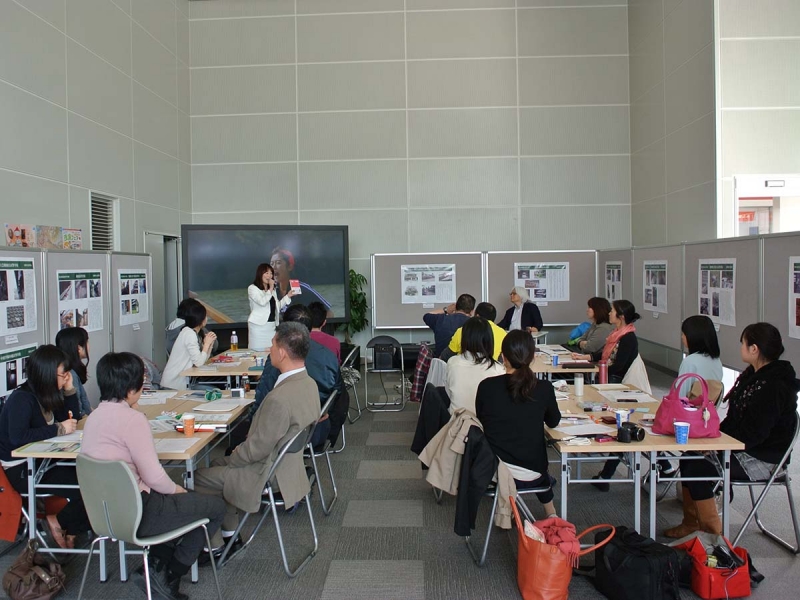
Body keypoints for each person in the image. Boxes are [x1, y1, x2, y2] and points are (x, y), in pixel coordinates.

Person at [81, 352, 226, 600]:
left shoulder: (93, 417)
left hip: (103, 514)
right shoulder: (133, 420)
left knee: (186, 501)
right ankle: (168, 575)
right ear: (131, 389)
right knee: (214, 507)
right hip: (140, 513)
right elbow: (154, 476)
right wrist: (177, 490)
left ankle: (155, 567)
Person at [194, 322, 320, 554]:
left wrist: (235, 455)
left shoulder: (279, 399)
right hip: (288, 467)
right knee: (217, 463)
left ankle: (214, 546)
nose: (269, 349)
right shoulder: (309, 384)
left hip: (265, 472)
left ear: (282, 352)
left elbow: (256, 450)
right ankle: (230, 534)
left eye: (272, 344)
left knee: (198, 478)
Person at [665, 323, 799, 538]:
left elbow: (756, 433)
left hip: (762, 457)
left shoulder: (774, 385)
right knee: (690, 458)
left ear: (754, 349)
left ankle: (712, 535)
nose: (740, 348)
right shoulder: (753, 376)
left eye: (743, 343)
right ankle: (691, 523)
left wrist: (720, 447)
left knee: (698, 466)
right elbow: (735, 420)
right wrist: (714, 440)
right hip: (743, 445)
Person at [0, 345, 88, 549]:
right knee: (89, 485)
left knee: (95, 476)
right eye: (63, 374)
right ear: (47, 374)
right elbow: (18, 437)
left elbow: (71, 419)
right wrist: (57, 429)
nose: (66, 378)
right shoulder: (21, 399)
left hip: (44, 462)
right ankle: (62, 522)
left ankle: (67, 525)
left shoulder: (46, 394)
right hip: (22, 470)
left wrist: (69, 390)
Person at [475, 331, 561, 517]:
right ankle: (552, 513)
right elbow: (554, 421)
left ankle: (513, 507)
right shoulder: (544, 388)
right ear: (532, 357)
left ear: (503, 357)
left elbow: (481, 420)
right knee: (535, 458)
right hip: (533, 474)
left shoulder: (486, 386)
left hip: (494, 472)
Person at [250, 305, 342, 448]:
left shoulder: (280, 358)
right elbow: (338, 393)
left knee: (234, 439)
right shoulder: (329, 356)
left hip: (286, 435)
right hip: (318, 430)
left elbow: (263, 398)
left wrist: (251, 424)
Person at [446, 317, 505, 415]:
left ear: (464, 338)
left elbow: (449, 394)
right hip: (485, 422)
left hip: (457, 421)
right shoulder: (499, 369)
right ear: (490, 340)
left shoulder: (452, 363)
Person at [572, 299, 639, 383]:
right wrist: (585, 357)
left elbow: (618, 365)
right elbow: (607, 354)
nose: (609, 313)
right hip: (608, 373)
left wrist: (599, 370)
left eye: (612, 311)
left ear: (621, 316)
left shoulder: (627, 337)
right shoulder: (616, 333)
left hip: (615, 378)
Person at [160, 299, 217, 390]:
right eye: (205, 316)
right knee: (213, 391)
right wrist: (206, 344)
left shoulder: (188, 331)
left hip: (181, 382)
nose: (207, 318)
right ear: (201, 320)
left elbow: (202, 360)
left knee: (213, 390)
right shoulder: (189, 334)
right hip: (173, 386)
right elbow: (198, 363)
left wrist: (210, 345)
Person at [247, 263, 293, 351]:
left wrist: (288, 296)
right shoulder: (252, 288)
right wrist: (271, 288)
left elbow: (277, 307)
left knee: (271, 351)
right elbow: (262, 302)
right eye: (266, 273)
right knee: (257, 351)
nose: (269, 276)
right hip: (258, 327)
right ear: (260, 274)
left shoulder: (272, 290)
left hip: (271, 326)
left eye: (271, 273)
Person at [270, 246, 331, 311]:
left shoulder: (299, 289)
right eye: (272, 264)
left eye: (278, 263)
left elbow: (328, 313)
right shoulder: (271, 290)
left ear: (290, 267)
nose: (273, 267)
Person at [676, 315, 723, 397]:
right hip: (709, 405)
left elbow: (680, 394)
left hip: (689, 404)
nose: (682, 337)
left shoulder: (690, 362)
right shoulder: (717, 361)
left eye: (684, 334)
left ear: (694, 336)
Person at [55, 326, 92, 417]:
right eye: (87, 342)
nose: (89, 345)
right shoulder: (70, 374)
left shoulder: (68, 370)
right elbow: (79, 409)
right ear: (79, 348)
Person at [423, 293, 475, 358]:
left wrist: (446, 310)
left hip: (441, 362)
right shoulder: (474, 325)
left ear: (455, 307)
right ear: (472, 311)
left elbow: (426, 316)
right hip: (464, 362)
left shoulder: (440, 319)